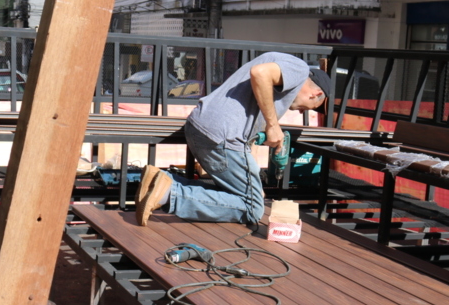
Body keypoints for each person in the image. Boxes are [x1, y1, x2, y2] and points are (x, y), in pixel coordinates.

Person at [136, 52, 330, 227]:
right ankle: (169, 194)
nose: (303, 111)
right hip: (223, 137)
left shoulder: (278, 72)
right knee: (253, 208)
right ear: (317, 93)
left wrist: (253, 184)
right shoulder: (299, 69)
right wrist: (272, 125)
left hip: (200, 127)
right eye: (311, 107)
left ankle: (161, 181)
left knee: (241, 197)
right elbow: (259, 73)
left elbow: (249, 140)